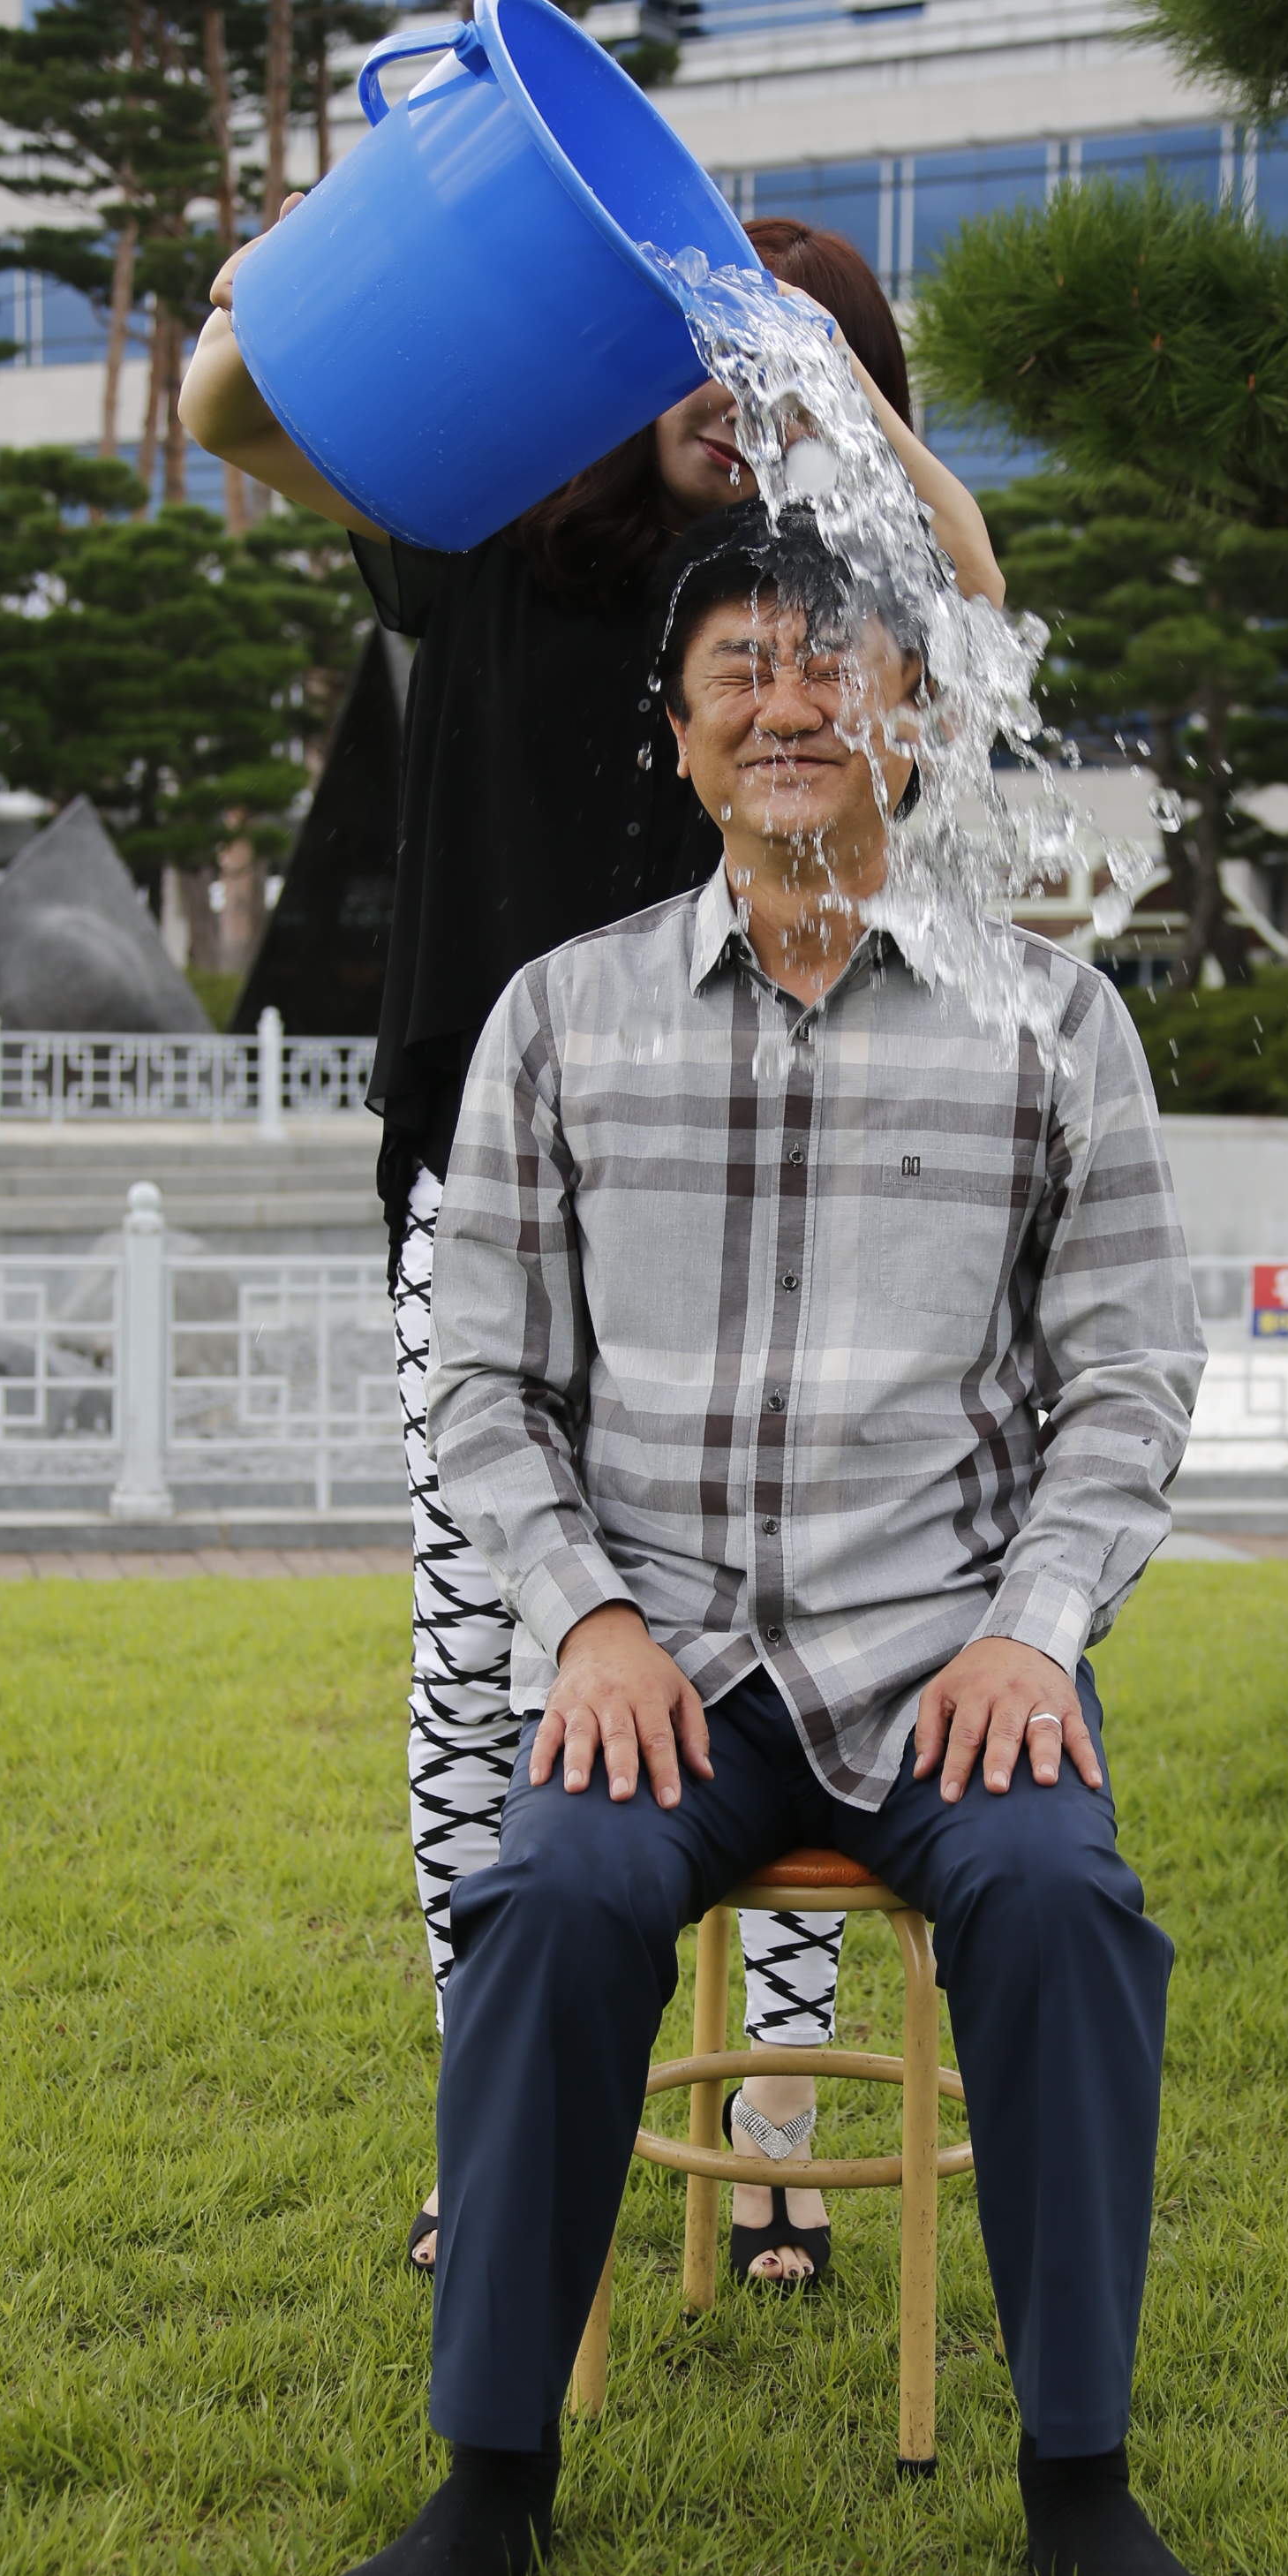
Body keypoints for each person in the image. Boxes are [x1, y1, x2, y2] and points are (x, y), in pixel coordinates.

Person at [318, 503, 1246, 2576]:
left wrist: (1039, 1626)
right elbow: (478, 1384)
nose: (791, 699)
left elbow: (1131, 1374)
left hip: (949, 1659)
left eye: (836, 664)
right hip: (668, 1663)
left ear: (913, 718)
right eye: (741, 666)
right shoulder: (556, 1020)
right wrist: (590, 1619)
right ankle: (490, 2478)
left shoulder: (1052, 1022)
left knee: (1065, 1907)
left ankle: (1081, 2482)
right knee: (543, 1897)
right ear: (682, 732)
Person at [181, 211, 1006, 2287]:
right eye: (701, 348)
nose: (730, 394)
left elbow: (981, 585)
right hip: (484, 1200)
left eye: (783, 366)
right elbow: (233, 410)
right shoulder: (484, 528)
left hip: (773, 1211)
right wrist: (367, 231)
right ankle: (501, 2132)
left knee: (805, 1670)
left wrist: (830, 396)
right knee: (485, 1667)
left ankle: (786, 2153)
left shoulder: (820, 610)